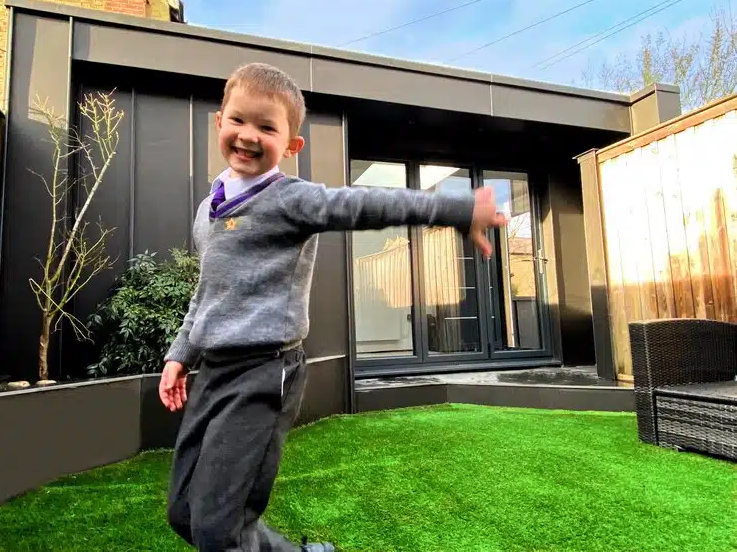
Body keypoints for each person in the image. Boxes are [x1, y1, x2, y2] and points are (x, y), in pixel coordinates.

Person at [158, 62, 508, 552]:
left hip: (263, 371)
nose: (248, 136)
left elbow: (367, 205)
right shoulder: (209, 209)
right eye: (238, 120)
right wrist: (180, 356)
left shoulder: (292, 200)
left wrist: (457, 209)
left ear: (291, 144)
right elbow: (206, 293)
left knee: (218, 530)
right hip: (212, 372)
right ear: (219, 121)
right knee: (185, 515)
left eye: (267, 127)